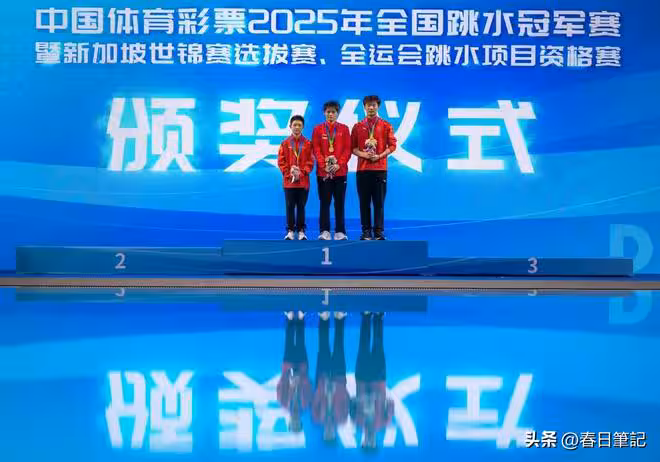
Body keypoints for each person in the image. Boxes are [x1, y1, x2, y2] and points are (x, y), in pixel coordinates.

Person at [351, 95, 397, 240]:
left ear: (378, 107)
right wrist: (364, 154)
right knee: (364, 203)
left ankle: (378, 232)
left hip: (380, 169)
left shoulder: (386, 125)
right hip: (363, 170)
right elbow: (353, 148)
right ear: (364, 107)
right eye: (368, 105)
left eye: (374, 105)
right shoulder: (358, 126)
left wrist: (380, 156)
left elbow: (392, 146)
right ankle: (366, 231)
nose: (371, 108)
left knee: (379, 203)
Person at [350, 312, 394, 450]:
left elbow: (351, 401)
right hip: (379, 379)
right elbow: (391, 403)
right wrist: (378, 397)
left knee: (363, 345)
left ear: (362, 442)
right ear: (375, 442)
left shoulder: (356, 421)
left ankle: (366, 316)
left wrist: (361, 399)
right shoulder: (384, 422)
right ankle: (378, 317)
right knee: (378, 345)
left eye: (366, 443)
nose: (369, 440)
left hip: (362, 379)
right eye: (372, 443)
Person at [312, 101, 351, 240]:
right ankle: (324, 231)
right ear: (324, 113)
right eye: (328, 112)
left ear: (337, 113)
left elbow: (347, 149)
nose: (330, 114)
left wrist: (339, 164)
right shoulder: (318, 129)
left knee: (339, 203)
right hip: (323, 173)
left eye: (333, 112)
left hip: (340, 173)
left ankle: (340, 231)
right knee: (324, 202)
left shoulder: (344, 129)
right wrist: (324, 165)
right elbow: (316, 149)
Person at [312, 312, 349, 444]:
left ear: (323, 433)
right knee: (339, 346)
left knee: (323, 346)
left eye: (326, 434)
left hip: (322, 377)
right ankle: (339, 318)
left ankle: (324, 318)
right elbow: (347, 399)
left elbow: (314, 399)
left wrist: (324, 387)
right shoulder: (343, 419)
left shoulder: (316, 417)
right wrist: (336, 387)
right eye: (331, 434)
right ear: (335, 433)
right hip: (339, 377)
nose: (329, 431)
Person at [278, 115, 314, 240]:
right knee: (289, 206)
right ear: (290, 126)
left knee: (301, 206)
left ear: (303, 127)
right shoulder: (285, 143)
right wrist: (290, 174)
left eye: (299, 125)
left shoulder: (308, 143)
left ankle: (301, 231)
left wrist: (301, 173)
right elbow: (281, 162)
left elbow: (310, 162)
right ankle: (290, 231)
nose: (297, 127)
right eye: (295, 125)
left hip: (303, 182)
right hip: (289, 182)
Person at [277, 311, 312, 433]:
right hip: (302, 368)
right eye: (297, 423)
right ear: (301, 421)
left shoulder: (284, 403)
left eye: (293, 423)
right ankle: (301, 318)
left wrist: (289, 378)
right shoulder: (305, 404)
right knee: (301, 342)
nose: (295, 420)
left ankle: (290, 318)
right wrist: (300, 378)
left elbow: (280, 386)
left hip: (288, 367)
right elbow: (309, 386)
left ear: (290, 421)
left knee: (289, 342)